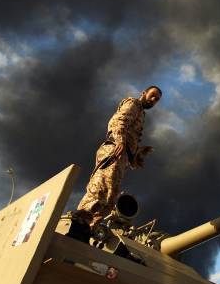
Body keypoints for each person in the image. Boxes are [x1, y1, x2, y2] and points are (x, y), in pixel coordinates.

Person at [67, 85, 162, 243]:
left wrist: (137, 154)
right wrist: (119, 139)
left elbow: (130, 137)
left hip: (122, 155)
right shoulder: (133, 104)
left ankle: (87, 229)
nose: (153, 100)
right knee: (100, 189)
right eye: (152, 95)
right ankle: (77, 227)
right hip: (114, 150)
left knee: (110, 198)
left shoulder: (142, 113)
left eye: (157, 99)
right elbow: (119, 120)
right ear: (143, 93)